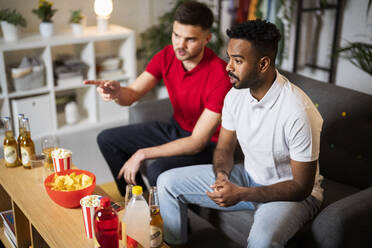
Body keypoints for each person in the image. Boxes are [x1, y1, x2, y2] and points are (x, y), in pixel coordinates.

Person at [157, 19, 324, 248]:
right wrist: (222, 177)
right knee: (166, 182)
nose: (228, 67)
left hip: (292, 195)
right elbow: (225, 147)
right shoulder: (235, 95)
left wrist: (243, 194)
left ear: (263, 64)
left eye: (237, 60)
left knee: (261, 241)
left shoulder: (298, 112)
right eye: (229, 58)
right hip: (247, 177)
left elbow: (301, 187)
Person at [84, 1, 231, 196]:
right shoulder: (167, 56)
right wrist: (117, 93)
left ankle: (169, 225)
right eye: (176, 35)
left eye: (190, 39)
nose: (180, 45)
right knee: (107, 139)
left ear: (207, 39)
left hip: (208, 146)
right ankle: (139, 203)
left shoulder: (220, 76)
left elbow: (197, 142)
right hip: (176, 129)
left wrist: (143, 153)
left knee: (157, 170)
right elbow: (132, 94)